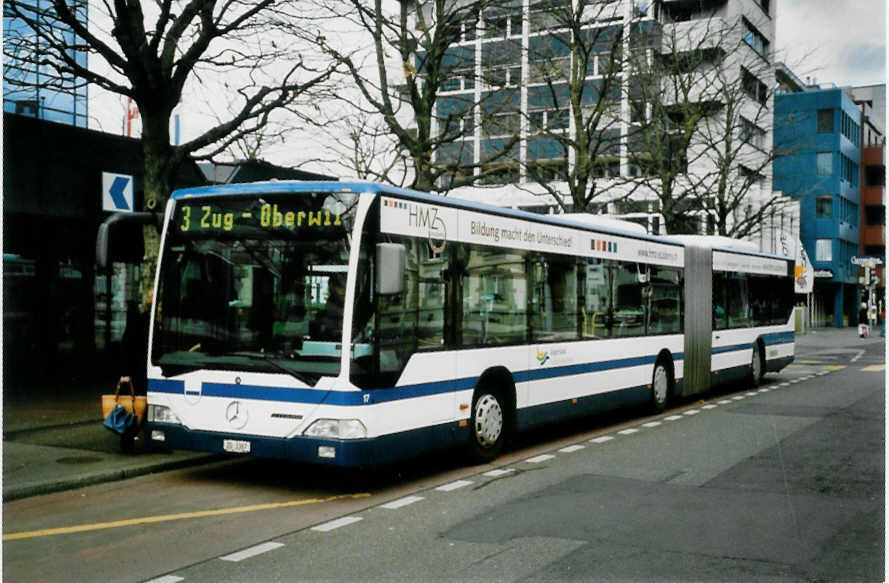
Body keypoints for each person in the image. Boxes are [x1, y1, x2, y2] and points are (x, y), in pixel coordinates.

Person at [117, 293, 151, 452]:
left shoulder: (131, 328)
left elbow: (125, 353)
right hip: (139, 374)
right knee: (139, 407)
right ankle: (131, 438)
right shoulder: (143, 324)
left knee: (131, 407)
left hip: (132, 374)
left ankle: (128, 439)